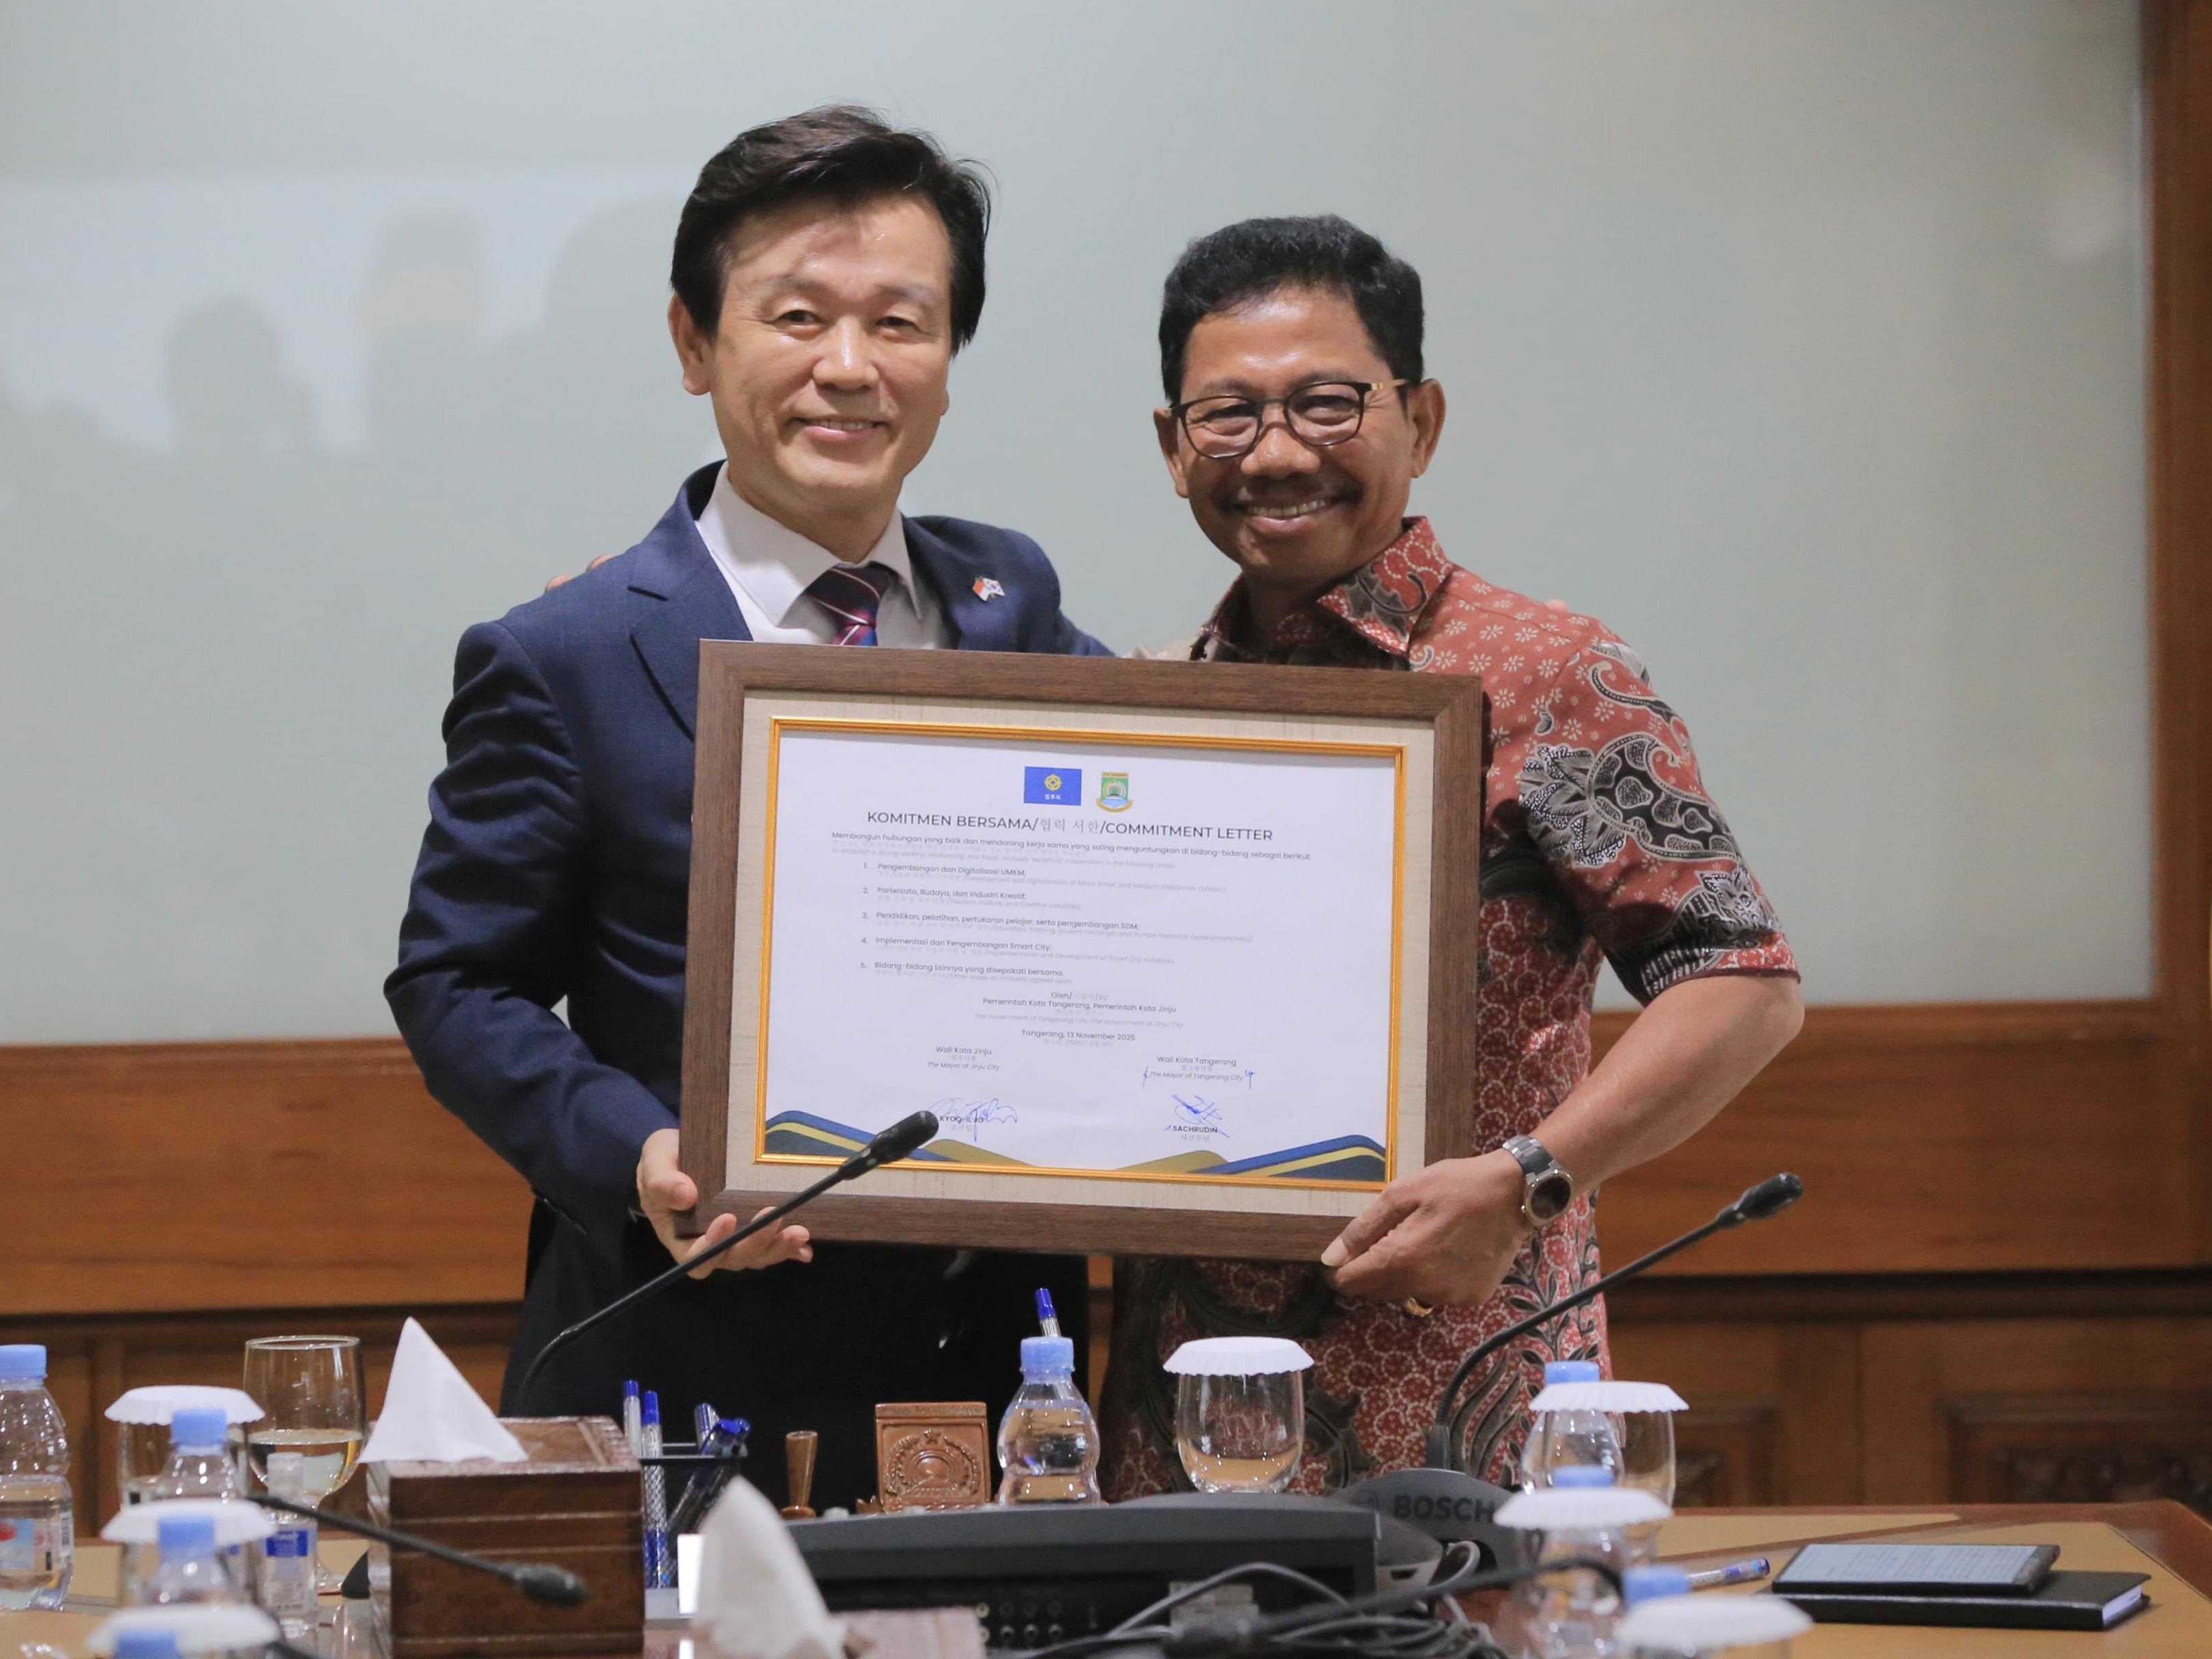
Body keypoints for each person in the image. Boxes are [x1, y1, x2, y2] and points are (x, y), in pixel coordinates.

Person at [385, 108, 1109, 1508]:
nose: (850, 367)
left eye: (899, 322)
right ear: (693, 342)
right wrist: (640, 1156)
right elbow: (457, 983)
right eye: (797, 316)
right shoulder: (567, 654)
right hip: (697, 1370)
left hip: (998, 1376)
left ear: (947, 357)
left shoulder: (1010, 603)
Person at [1100, 216, 1803, 1495]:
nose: (1277, 453)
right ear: (1172, 447)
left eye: (1327, 404)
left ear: (1419, 422)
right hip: (1184, 1417)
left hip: (1467, 1404)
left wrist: (1529, 1182)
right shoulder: (1160, 708)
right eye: (1228, 415)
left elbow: (1741, 984)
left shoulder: (1543, 674)